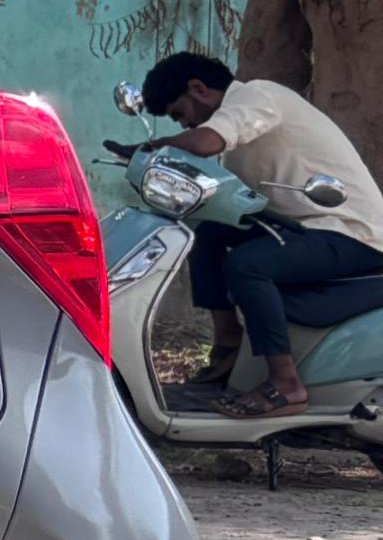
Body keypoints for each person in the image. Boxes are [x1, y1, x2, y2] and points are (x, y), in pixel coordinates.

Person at [141, 50, 383, 417]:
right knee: (208, 234)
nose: (184, 125)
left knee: (247, 265)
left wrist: (153, 148)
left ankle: (285, 384)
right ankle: (227, 346)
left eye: (180, 114)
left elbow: (206, 141)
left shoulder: (258, 95)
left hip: (353, 234)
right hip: (308, 230)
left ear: (198, 89)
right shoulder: (239, 131)